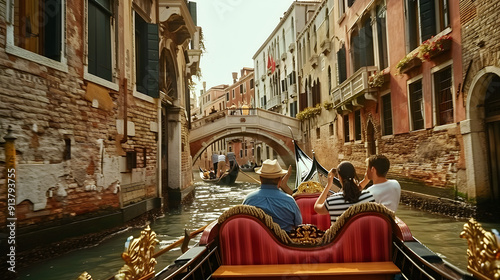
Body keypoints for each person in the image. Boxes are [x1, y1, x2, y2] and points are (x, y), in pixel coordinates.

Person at [243, 159, 302, 231]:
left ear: (260, 179)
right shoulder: (290, 201)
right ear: (280, 180)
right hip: (284, 241)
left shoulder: (249, 199)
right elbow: (298, 224)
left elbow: (243, 222)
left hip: (257, 240)